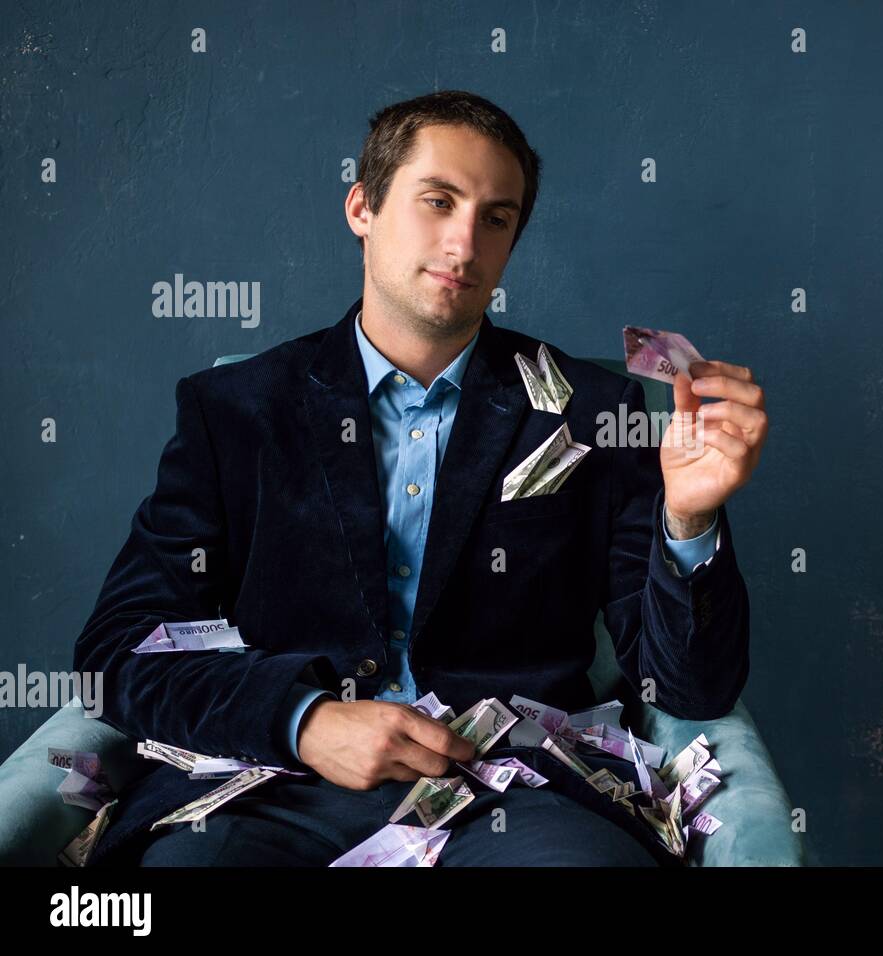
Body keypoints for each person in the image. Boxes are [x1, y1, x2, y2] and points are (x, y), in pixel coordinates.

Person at [75, 90, 768, 866]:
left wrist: (690, 520)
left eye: (496, 218)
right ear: (362, 207)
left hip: (518, 797)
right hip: (274, 784)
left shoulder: (595, 409)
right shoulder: (235, 411)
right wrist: (302, 721)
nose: (464, 241)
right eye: (438, 201)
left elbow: (690, 692)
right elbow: (119, 651)